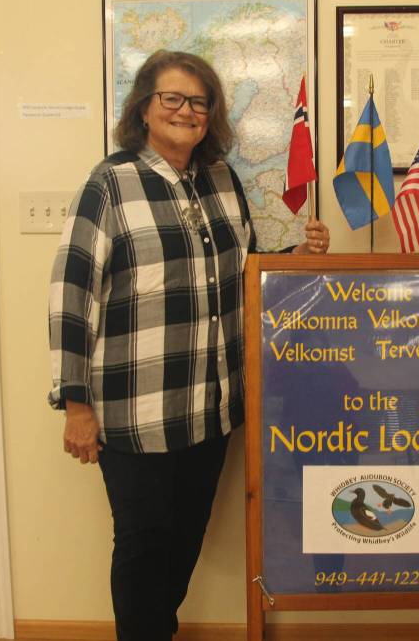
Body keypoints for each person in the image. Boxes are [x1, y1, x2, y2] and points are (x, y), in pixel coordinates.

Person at [47, 50, 330, 640]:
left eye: (198, 102)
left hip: (210, 409)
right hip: (137, 413)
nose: (185, 111)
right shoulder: (109, 185)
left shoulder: (222, 179)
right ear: (145, 108)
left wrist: (294, 262)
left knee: (182, 546)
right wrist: (75, 404)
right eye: (171, 98)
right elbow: (71, 297)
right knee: (143, 551)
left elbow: (241, 273)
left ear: (212, 114)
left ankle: (157, 631)